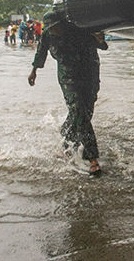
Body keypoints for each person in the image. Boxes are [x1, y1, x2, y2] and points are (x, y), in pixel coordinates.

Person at [28, 11, 108, 176]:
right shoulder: (48, 35)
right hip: (68, 76)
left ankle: (66, 139)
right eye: (51, 28)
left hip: (88, 72)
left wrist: (100, 38)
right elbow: (40, 53)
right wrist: (34, 71)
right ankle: (92, 158)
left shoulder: (77, 29)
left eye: (56, 27)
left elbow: (101, 45)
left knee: (85, 111)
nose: (54, 30)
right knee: (78, 111)